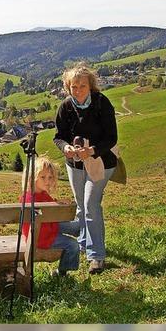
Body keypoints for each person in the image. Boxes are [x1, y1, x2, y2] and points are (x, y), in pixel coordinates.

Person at [53, 63, 118, 274]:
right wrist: (67, 148)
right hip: (74, 164)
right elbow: (58, 136)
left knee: (91, 204)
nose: (78, 90)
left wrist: (91, 151)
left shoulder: (101, 103)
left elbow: (112, 138)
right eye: (74, 86)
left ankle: (96, 256)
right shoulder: (65, 107)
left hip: (101, 162)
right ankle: (82, 243)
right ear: (68, 87)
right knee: (81, 205)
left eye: (82, 85)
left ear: (91, 86)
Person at [20, 156, 81, 277]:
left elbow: (48, 210)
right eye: (43, 177)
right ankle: (61, 273)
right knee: (73, 245)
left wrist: (57, 203)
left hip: (45, 229)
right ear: (32, 178)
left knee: (76, 226)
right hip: (40, 237)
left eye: (50, 177)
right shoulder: (29, 200)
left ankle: (80, 229)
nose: (48, 181)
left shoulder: (38, 194)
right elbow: (42, 213)